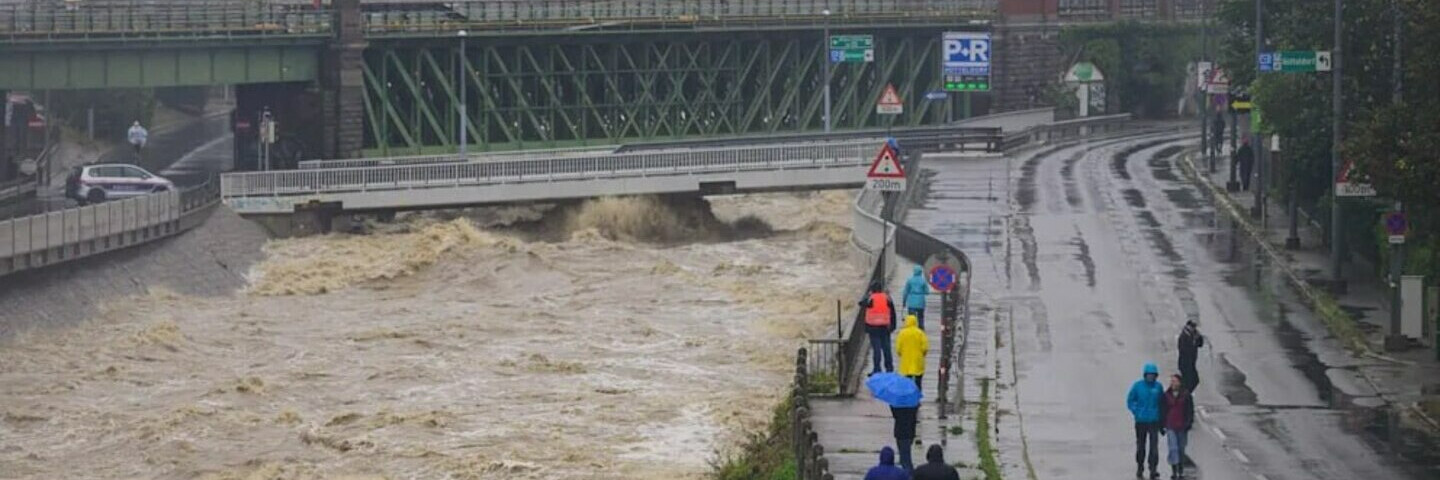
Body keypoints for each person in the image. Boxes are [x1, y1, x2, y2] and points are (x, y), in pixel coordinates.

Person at [1127, 362, 1165, 479]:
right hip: (1141, 421)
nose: (1150, 377)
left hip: (1154, 421)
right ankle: (1140, 466)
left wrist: (1161, 419)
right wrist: (1136, 411)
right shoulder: (1138, 386)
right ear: (1145, 375)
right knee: (1141, 446)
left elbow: (1162, 403)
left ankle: (1153, 468)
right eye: (1149, 375)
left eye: (1153, 375)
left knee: (1154, 447)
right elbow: (1130, 400)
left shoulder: (1158, 387)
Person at [1160, 374, 1195, 479]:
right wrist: (1161, 425)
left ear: (1180, 383)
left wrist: (1188, 423)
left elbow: (1190, 411)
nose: (1173, 383)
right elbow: (1163, 410)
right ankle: (1174, 470)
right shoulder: (1166, 395)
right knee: (1173, 448)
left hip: (1182, 426)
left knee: (1181, 448)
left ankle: (1180, 469)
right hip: (1170, 425)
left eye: (1175, 381)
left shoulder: (1186, 395)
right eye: (1171, 381)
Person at [860, 281, 897, 375]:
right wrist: (893, 326)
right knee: (886, 348)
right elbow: (892, 312)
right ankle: (889, 368)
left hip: (873, 328)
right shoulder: (887, 298)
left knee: (876, 349)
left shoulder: (871, 298)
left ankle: (877, 368)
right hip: (885, 327)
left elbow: (861, 303)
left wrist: (868, 294)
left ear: (872, 290)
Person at [896, 314, 928, 392]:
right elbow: (925, 347)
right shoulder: (920, 333)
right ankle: (917, 393)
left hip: (906, 362)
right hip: (917, 360)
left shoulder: (902, 333)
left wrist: (901, 354)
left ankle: (908, 394)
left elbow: (898, 348)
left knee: (907, 380)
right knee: (918, 380)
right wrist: (923, 354)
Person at [1177, 320, 1205, 393]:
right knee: (1190, 381)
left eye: (1194, 327)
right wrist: (1193, 342)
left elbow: (1200, 344)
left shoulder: (1193, 336)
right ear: (1188, 326)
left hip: (1191, 363)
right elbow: (1184, 350)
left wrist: (1199, 337)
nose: (1194, 328)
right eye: (1192, 327)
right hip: (1185, 364)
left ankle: (1185, 395)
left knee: (1194, 381)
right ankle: (1183, 396)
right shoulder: (1183, 336)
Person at [890, 403, 919, 472]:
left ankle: (908, 474)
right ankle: (907, 472)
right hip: (909, 431)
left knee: (905, 458)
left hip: (900, 432)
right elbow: (914, 417)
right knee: (905, 456)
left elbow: (895, 415)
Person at [902, 266, 930, 330]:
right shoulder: (923, 281)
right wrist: (921, 292)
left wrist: (904, 302)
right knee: (920, 317)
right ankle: (921, 329)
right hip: (921, 302)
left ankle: (912, 329)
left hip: (911, 302)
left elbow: (905, 292)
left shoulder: (910, 280)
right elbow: (927, 292)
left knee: (911, 317)